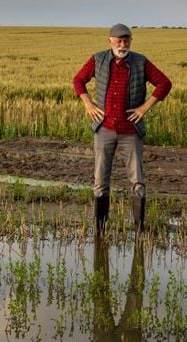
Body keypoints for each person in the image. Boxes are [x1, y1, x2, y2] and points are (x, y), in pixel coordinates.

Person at [72, 23, 172, 233]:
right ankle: (100, 231)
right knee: (100, 182)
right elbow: (78, 80)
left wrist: (144, 108)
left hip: (130, 131)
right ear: (110, 41)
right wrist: (88, 104)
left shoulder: (140, 62)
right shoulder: (97, 60)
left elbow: (164, 83)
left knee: (138, 181)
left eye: (126, 40)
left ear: (131, 41)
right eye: (118, 40)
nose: (122, 44)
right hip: (104, 129)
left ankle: (139, 230)